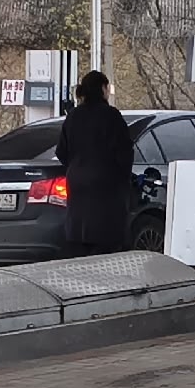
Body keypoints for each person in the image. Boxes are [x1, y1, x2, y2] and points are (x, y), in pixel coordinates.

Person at [54, 70, 134, 255]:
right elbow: (124, 151)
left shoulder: (73, 116)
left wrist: (77, 167)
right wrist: (123, 177)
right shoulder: (111, 116)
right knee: (106, 237)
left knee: (80, 235)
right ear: (103, 88)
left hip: (77, 182)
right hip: (106, 185)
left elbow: (61, 151)